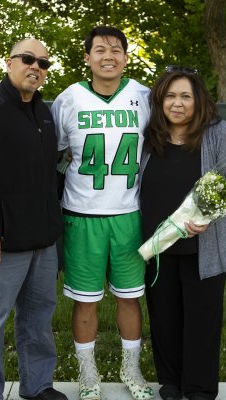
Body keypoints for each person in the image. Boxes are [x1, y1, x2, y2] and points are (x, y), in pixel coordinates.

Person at [0, 38, 68, 400]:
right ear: (9, 62)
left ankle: (37, 387)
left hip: (42, 242)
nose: (36, 67)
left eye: (44, 63)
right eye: (28, 59)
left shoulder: (45, 113)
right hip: (0, 244)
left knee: (38, 322)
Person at [51, 26, 154, 400]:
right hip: (82, 214)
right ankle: (88, 374)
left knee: (130, 297)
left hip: (129, 214)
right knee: (86, 299)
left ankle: (132, 369)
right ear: (87, 58)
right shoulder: (68, 99)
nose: (108, 55)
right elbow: (57, 153)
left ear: (126, 57)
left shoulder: (144, 97)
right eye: (99, 49)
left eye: (116, 49)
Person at [139, 65, 226, 400]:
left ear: (198, 100)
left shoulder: (220, 133)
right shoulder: (149, 136)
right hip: (158, 246)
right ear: (159, 101)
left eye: (185, 96)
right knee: (164, 316)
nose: (177, 103)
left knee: (202, 318)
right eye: (170, 96)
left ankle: (199, 388)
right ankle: (171, 382)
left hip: (205, 245)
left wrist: (210, 218)